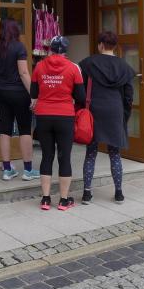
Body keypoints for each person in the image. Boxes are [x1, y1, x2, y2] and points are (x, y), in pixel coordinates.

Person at [78, 31, 135, 205]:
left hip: (94, 111)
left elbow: (80, 90)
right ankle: (119, 193)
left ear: (101, 45)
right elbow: (129, 96)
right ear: (114, 46)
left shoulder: (88, 64)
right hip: (115, 111)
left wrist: (81, 108)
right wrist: (124, 115)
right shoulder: (124, 67)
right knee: (114, 153)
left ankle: (87, 193)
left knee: (91, 153)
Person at [30, 36, 86, 211]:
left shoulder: (39, 66)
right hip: (65, 116)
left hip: (43, 115)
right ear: (66, 50)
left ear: (50, 49)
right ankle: (63, 200)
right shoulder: (73, 68)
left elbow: (33, 93)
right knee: (64, 157)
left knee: (47, 156)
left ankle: (46, 199)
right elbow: (81, 97)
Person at [0, 18, 39, 181]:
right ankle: (28, 170)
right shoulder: (19, 47)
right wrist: (33, 94)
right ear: (15, 30)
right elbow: (23, 73)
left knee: (5, 129)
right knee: (24, 129)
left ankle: (7, 169)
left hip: (1, 92)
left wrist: (0, 84)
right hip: (19, 93)